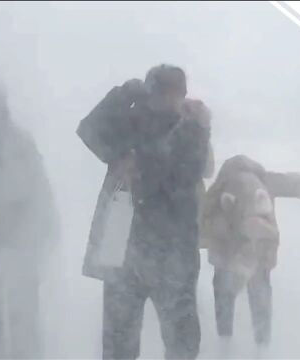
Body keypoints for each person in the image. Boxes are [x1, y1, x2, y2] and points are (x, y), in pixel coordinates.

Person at [77, 64, 211, 359]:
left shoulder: (188, 130)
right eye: (163, 93)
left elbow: (185, 171)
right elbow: (88, 130)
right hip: (126, 246)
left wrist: (199, 125)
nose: (168, 101)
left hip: (169, 250)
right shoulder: (132, 121)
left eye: (175, 94)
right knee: (122, 344)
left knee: (179, 343)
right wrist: (122, 95)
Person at [0, 81, 60, 359]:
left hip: (19, 242)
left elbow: (22, 190)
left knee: (19, 315)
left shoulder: (13, 143)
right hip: (1, 243)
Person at [200, 155, 300, 345]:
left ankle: (225, 345)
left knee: (225, 298)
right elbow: (294, 183)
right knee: (259, 297)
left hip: (226, 256)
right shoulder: (265, 180)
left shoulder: (219, 187)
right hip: (260, 251)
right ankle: (262, 347)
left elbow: (201, 221)